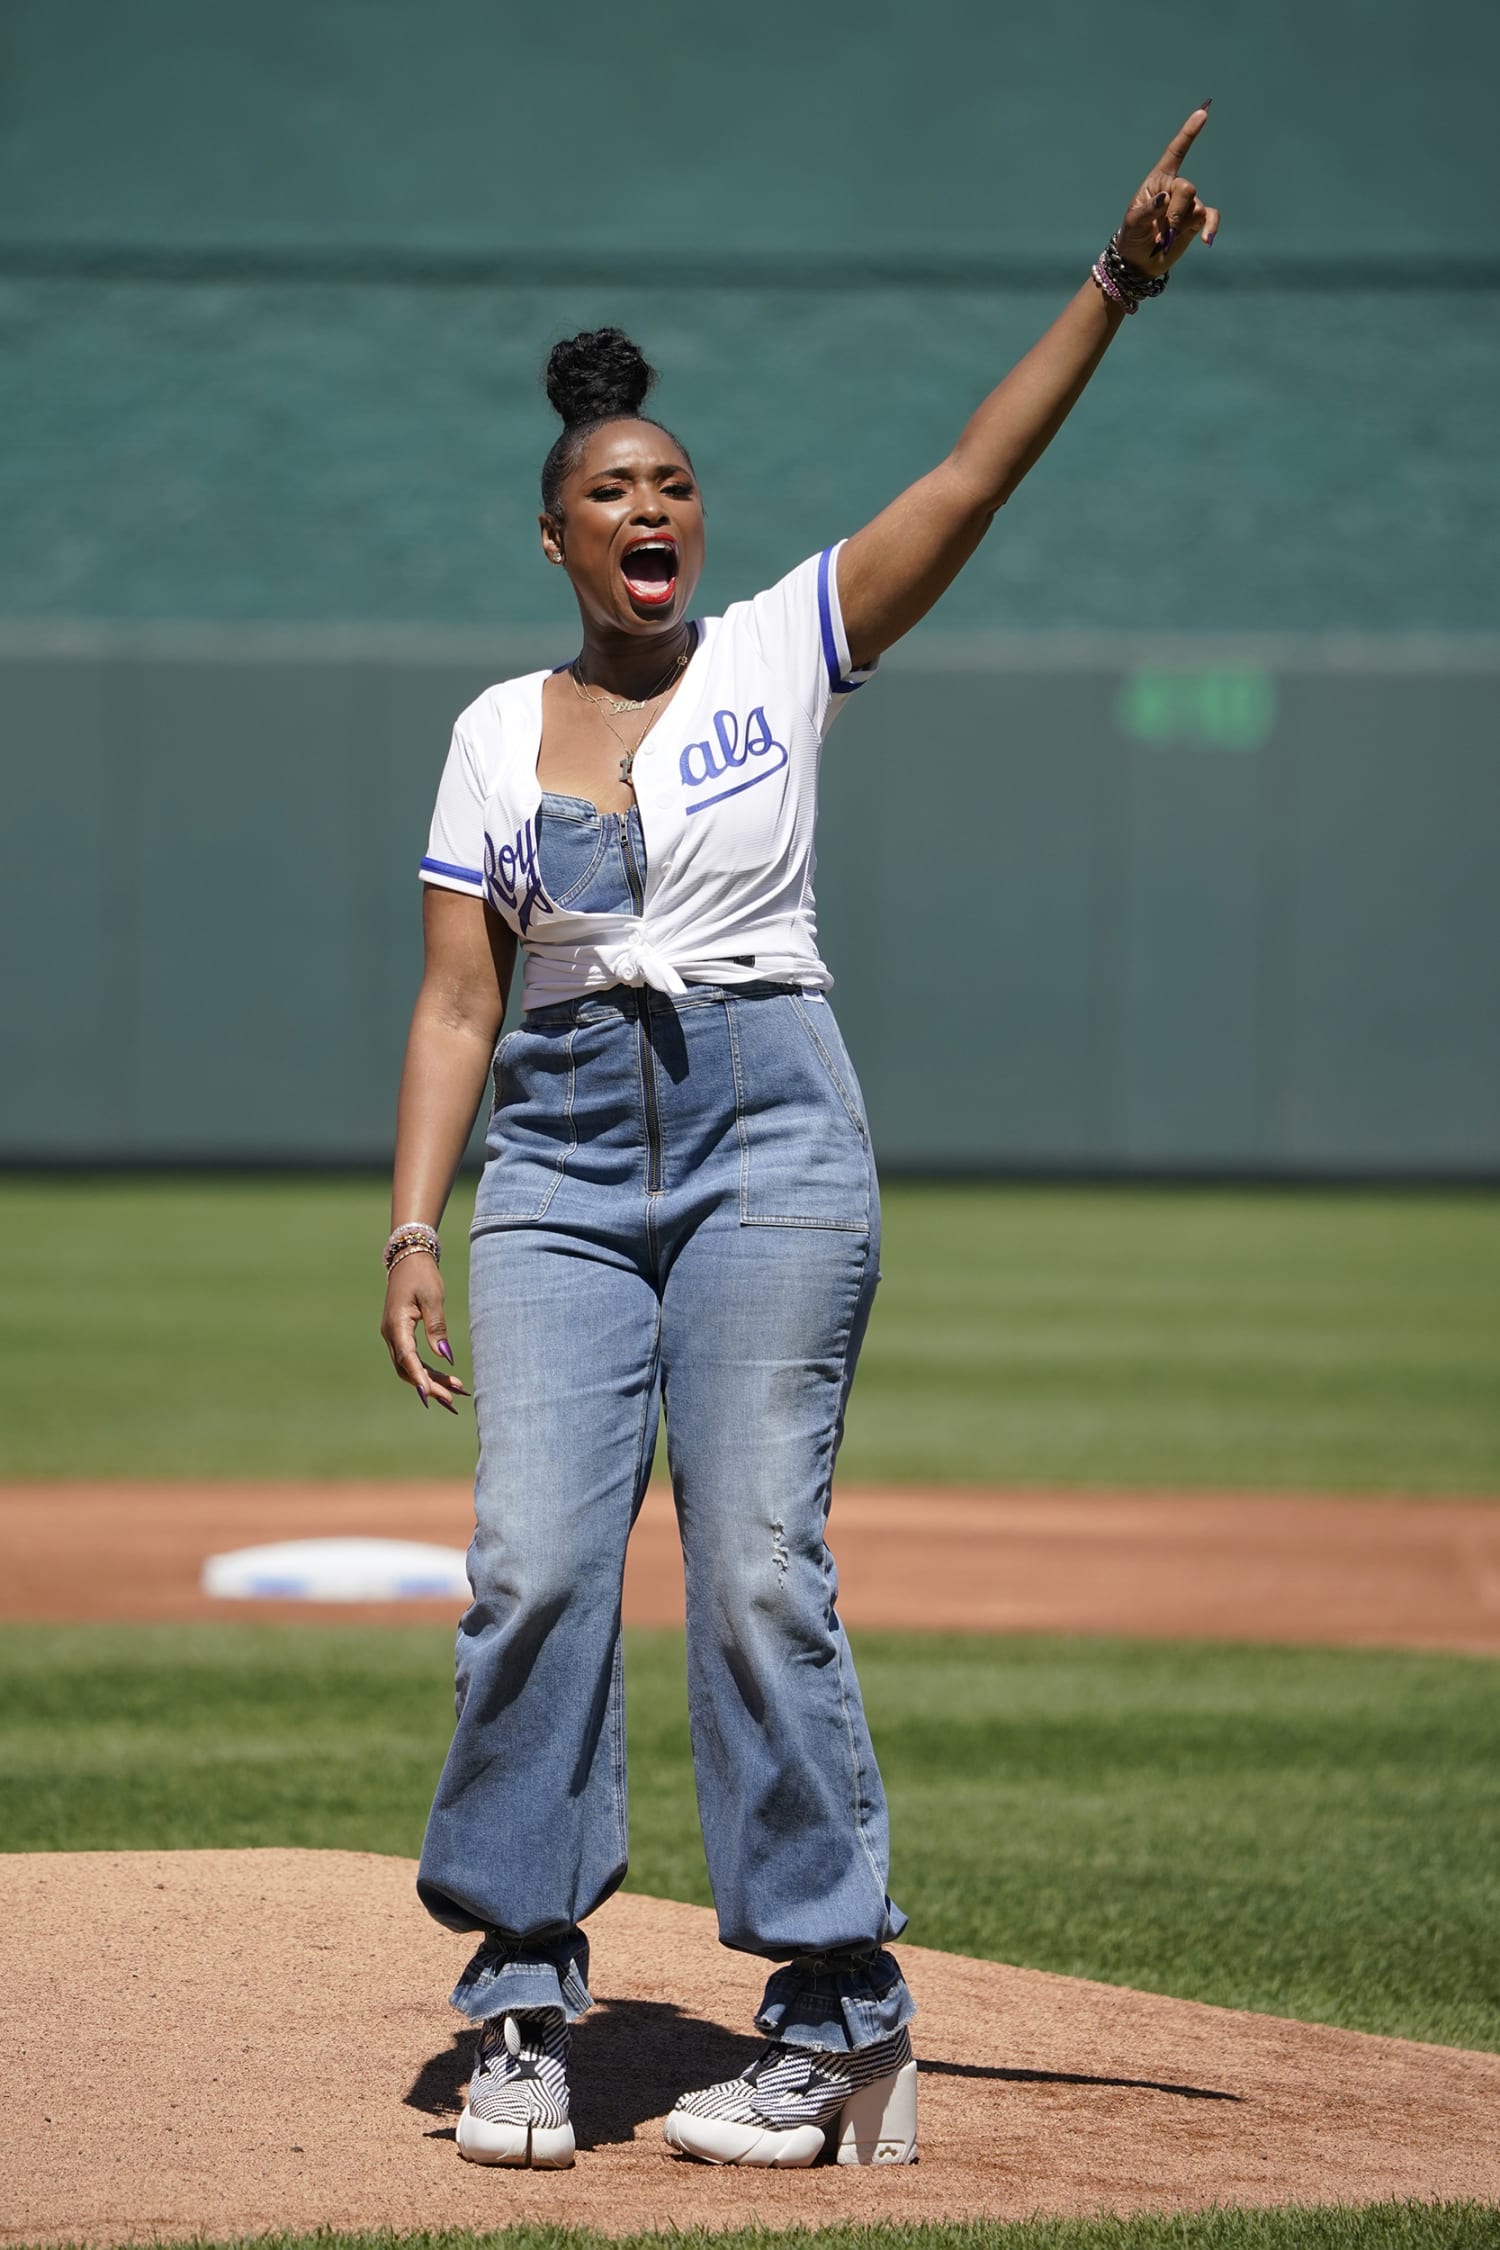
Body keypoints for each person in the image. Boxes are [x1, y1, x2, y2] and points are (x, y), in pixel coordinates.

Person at [381, 107, 1220, 2172]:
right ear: (559, 537)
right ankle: (520, 2004)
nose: (648, 504)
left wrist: (1111, 287)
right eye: (610, 490)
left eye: (671, 482)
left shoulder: (779, 649)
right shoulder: (495, 729)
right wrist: (414, 1226)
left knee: (757, 1568)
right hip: (558, 1166)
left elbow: (969, 473)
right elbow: (456, 1002)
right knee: (536, 1568)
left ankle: (840, 2016)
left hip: (771, 1130)